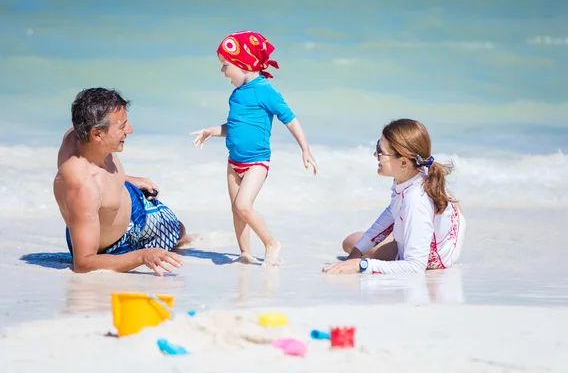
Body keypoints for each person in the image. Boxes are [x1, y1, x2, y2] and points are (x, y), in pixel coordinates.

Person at [190, 30, 318, 267]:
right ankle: (245, 253)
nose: (222, 72)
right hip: (233, 162)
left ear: (243, 65)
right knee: (236, 211)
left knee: (243, 205)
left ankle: (271, 244)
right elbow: (236, 127)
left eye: (225, 65)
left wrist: (305, 149)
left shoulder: (264, 90)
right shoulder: (237, 94)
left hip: (256, 162)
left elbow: (289, 118)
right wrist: (212, 131)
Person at [53, 88, 194, 276]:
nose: (130, 130)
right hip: (122, 239)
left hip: (126, 198)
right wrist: (142, 256)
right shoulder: (82, 186)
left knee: (179, 228)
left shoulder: (78, 136)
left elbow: (98, 172)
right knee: (178, 234)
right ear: (97, 134)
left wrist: (126, 180)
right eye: (122, 126)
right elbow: (83, 263)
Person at [322, 118, 466, 275]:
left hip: (434, 258)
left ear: (404, 162)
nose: (375, 154)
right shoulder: (410, 178)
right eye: (378, 147)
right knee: (353, 243)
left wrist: (362, 265)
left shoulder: (416, 201)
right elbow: (392, 212)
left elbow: (415, 266)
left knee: (356, 245)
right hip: (421, 228)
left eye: (381, 152)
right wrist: (356, 253)